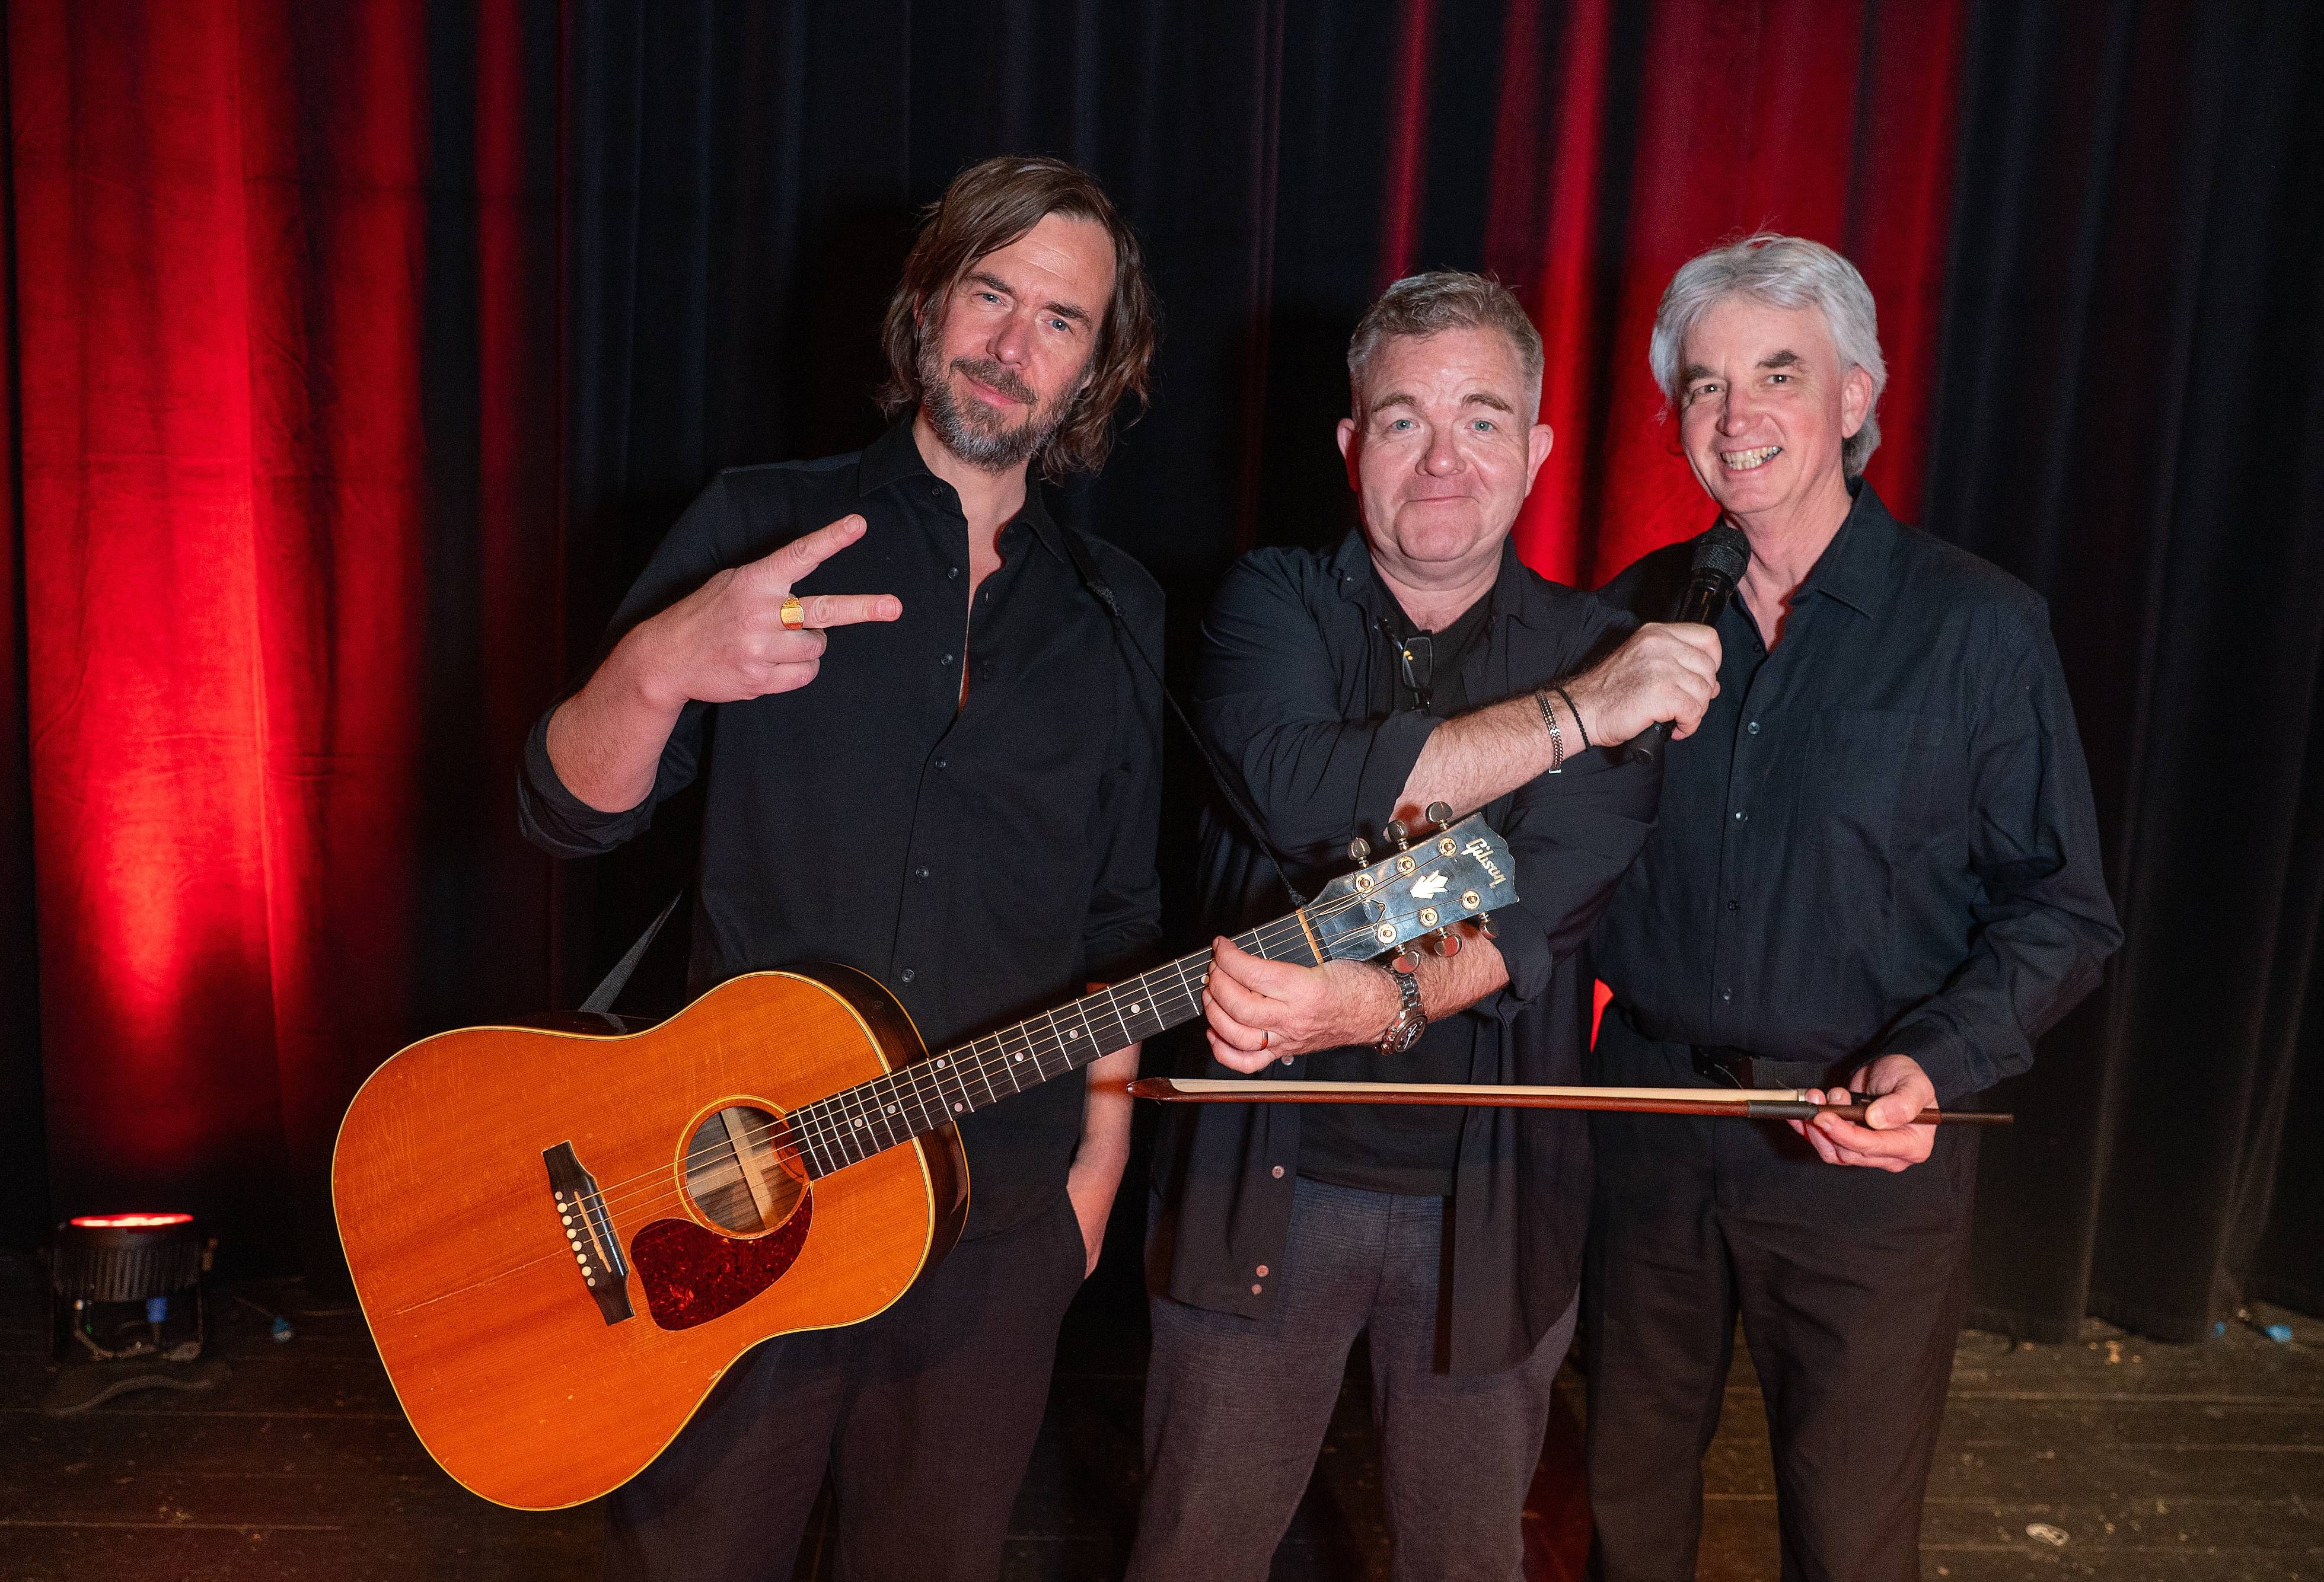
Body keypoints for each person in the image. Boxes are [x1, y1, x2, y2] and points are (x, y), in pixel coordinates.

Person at [517, 155, 1165, 1582]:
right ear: (926, 302)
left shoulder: (1120, 618)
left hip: (994, 1219)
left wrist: (1096, 1172)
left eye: (1059, 320)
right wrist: (654, 664)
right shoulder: (763, 524)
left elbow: (1122, 918)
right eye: (990, 292)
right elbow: (567, 811)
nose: (1011, 342)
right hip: (728, 1189)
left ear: (1093, 371)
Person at [1128, 272, 1723, 1580]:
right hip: (1253, 1195)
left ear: (1536, 450)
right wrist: (1569, 721)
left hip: (1492, 1208)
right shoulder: (1267, 603)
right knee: (1193, 1554)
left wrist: (1376, 998)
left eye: (1480, 419)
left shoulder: (1599, 636)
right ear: (1350, 450)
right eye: (1401, 421)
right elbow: (1297, 794)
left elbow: (1532, 899)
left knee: (1467, 1559)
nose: (1442, 460)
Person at [1583, 234, 2124, 1581]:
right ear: (1672, 420)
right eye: (1703, 385)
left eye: (1778, 372)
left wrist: (1933, 1061)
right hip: (1646, 1128)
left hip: (1857, 1157)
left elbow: (2062, 907)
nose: (1736, 415)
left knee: (1847, 1535)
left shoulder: (1978, 627)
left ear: (1855, 395)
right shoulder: (1621, 618)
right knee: (1620, 1512)